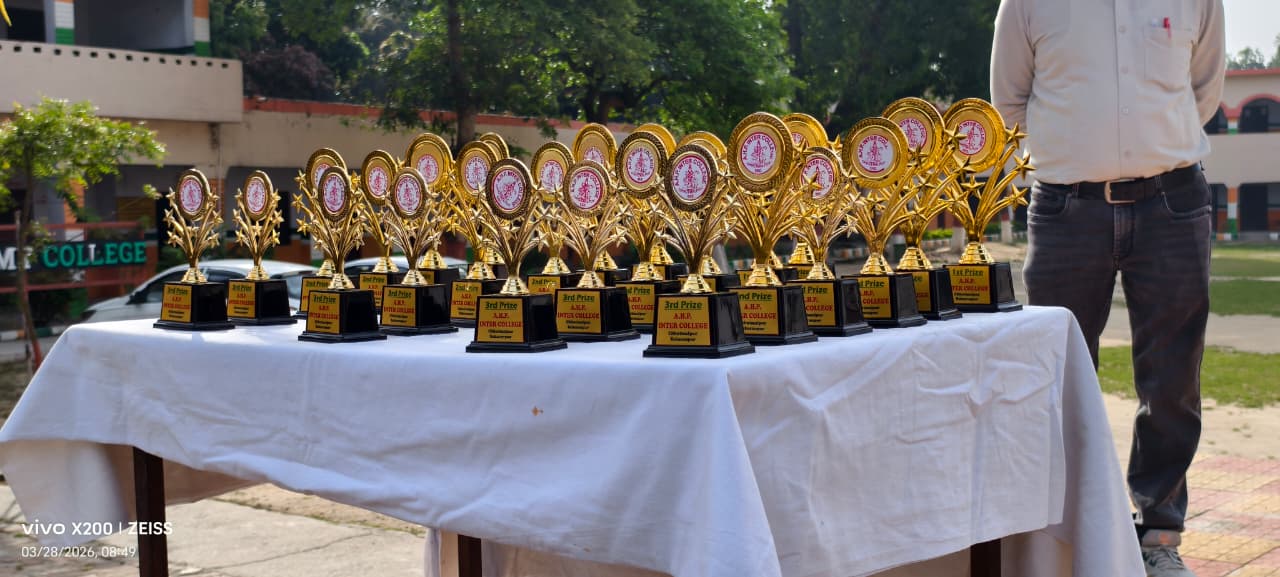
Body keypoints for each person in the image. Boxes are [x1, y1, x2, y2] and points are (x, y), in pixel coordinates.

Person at [990, 1, 1225, 575]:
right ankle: (1073, 535)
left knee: (1172, 378)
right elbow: (1009, 104)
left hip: (1173, 202)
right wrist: (1075, 155)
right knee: (1059, 375)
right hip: (1067, 208)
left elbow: (1203, 92)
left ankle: (1159, 537)